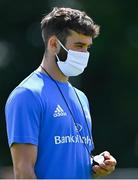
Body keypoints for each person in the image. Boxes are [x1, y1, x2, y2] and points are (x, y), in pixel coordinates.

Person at [5, 7, 116, 179]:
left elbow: (67, 160)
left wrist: (95, 164)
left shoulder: (81, 97)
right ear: (54, 44)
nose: (84, 54)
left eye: (87, 47)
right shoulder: (27, 95)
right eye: (79, 46)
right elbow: (23, 172)